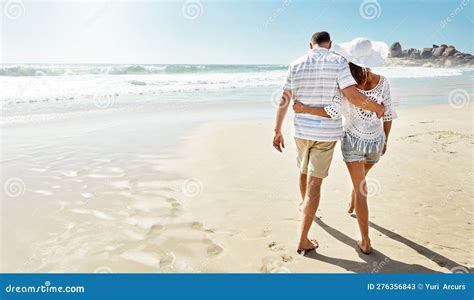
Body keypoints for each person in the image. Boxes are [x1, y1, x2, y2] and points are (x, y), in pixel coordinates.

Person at [272, 32, 385, 255]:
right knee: (315, 182)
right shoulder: (338, 61)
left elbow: (285, 97)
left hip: (300, 130)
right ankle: (303, 239)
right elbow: (351, 95)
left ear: (310, 45)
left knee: (303, 170)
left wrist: (277, 129)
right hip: (325, 133)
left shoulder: (295, 64)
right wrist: (376, 108)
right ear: (330, 45)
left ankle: (305, 207)